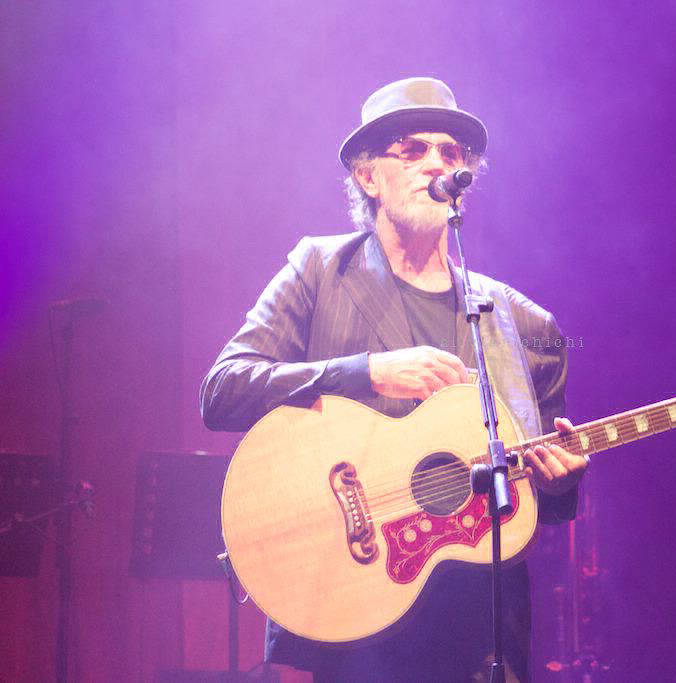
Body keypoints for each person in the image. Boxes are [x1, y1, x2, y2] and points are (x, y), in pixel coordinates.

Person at [201, 77, 588, 682]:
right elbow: (224, 390)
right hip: (358, 615)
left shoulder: (527, 325)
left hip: (483, 630)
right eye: (413, 150)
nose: (437, 163)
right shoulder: (320, 270)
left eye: (451, 153)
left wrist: (561, 483)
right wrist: (366, 372)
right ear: (368, 177)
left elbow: (539, 498)